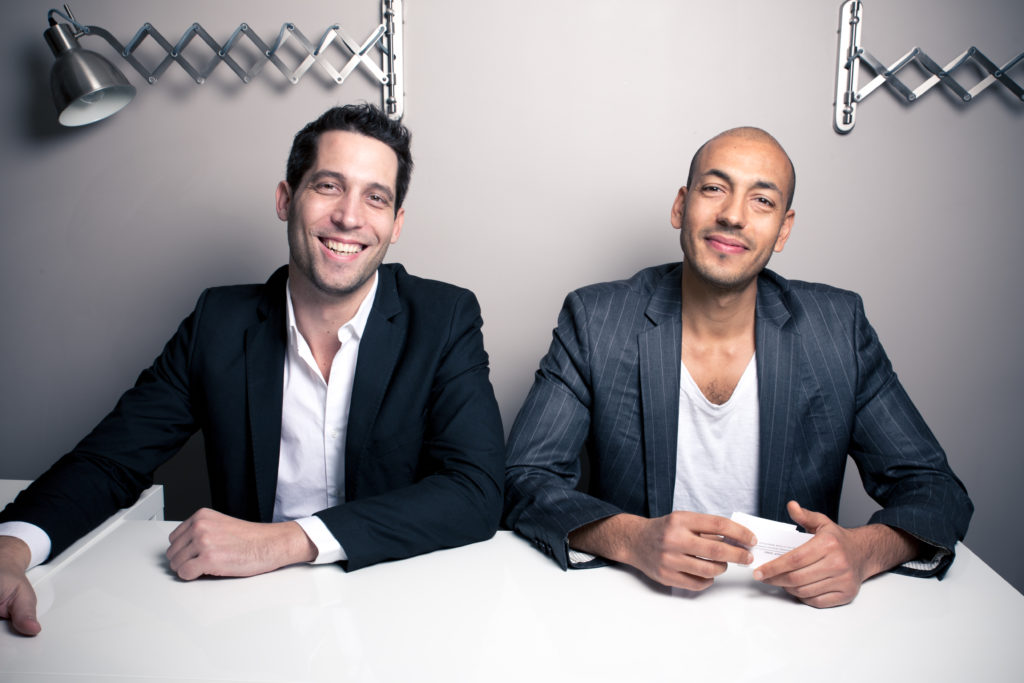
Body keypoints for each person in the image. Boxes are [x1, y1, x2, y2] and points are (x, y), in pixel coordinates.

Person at [0, 104, 505, 636]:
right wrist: (10, 550)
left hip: (400, 610)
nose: (350, 217)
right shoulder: (218, 322)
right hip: (252, 618)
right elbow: (111, 462)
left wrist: (287, 541)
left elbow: (474, 491)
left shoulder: (443, 318)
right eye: (328, 186)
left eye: (375, 198)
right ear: (286, 199)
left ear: (396, 224)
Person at [503, 126, 972, 608]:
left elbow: (935, 489)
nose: (733, 215)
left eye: (762, 201)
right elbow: (525, 475)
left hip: (787, 612)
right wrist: (631, 539)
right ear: (680, 206)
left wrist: (862, 551)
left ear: (783, 229)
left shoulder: (837, 329)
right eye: (714, 188)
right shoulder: (598, 320)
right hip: (636, 607)